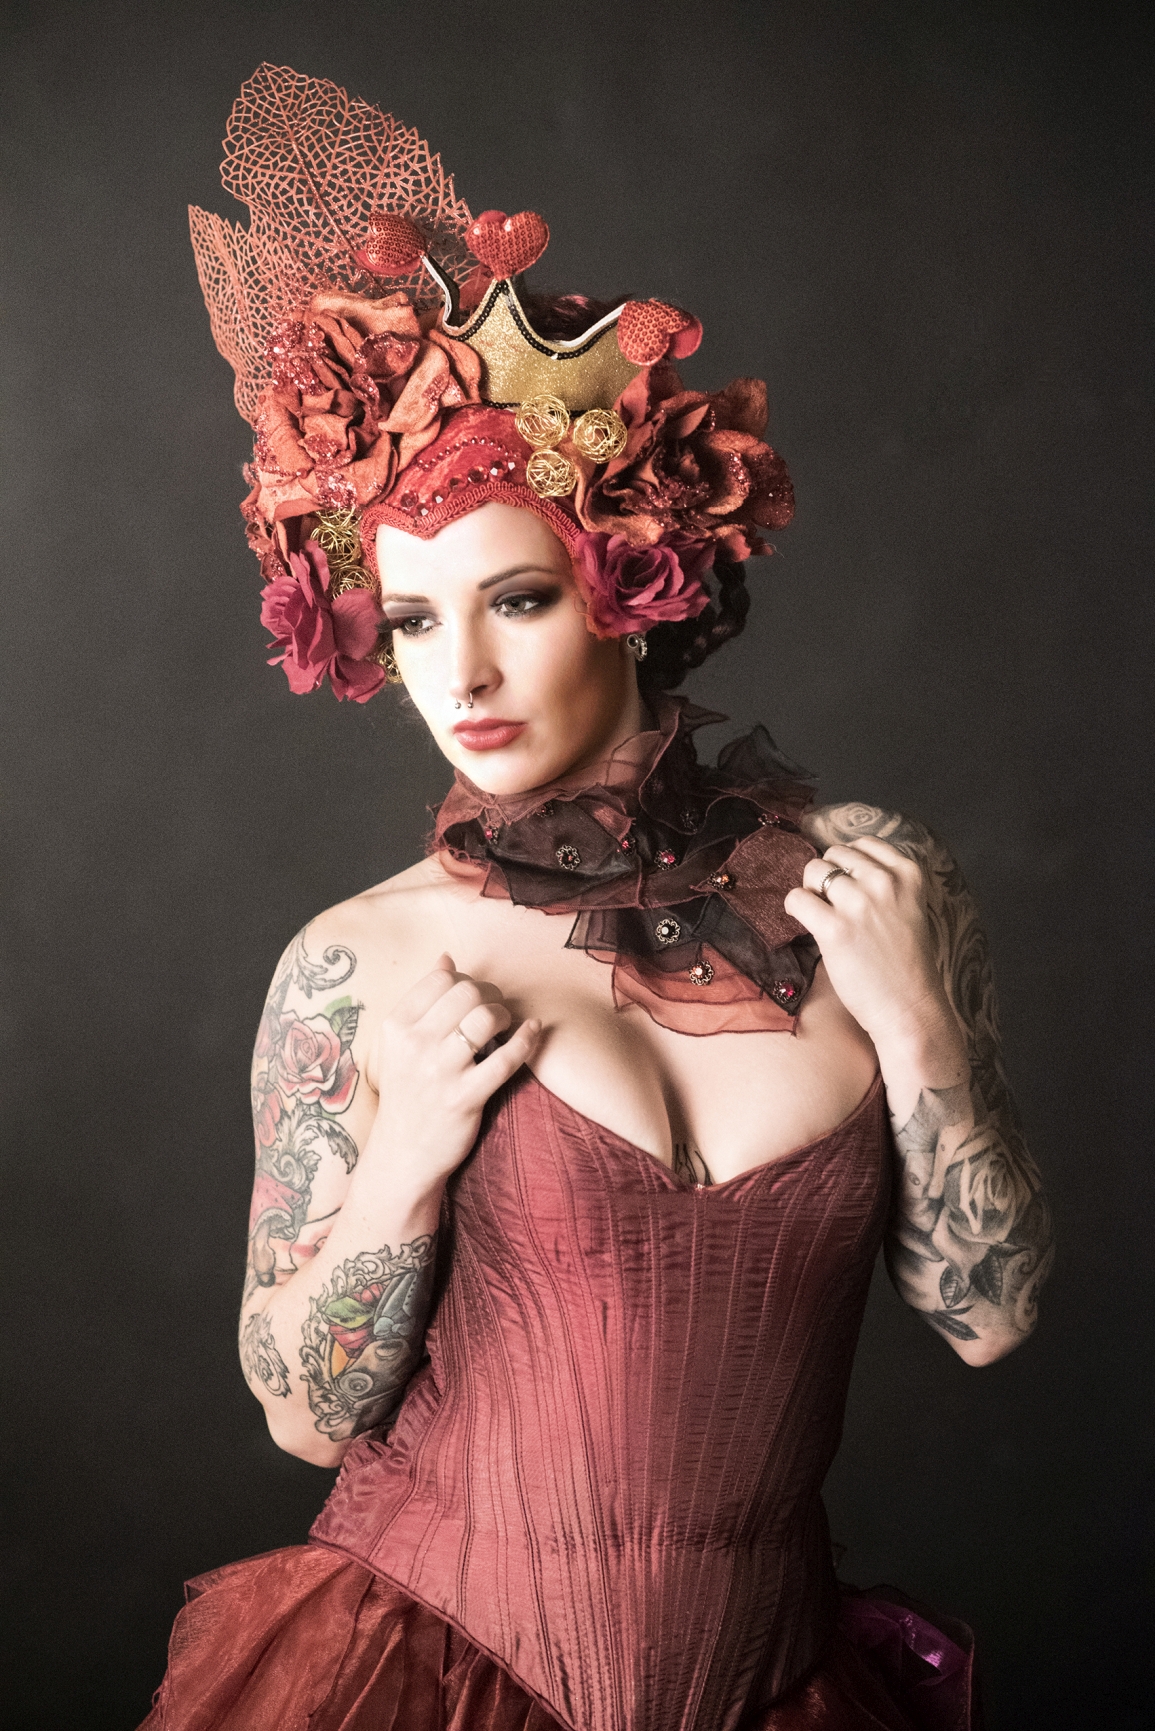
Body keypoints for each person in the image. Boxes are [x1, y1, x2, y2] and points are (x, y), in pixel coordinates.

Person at [144, 65, 1053, 1731]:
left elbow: (990, 1321)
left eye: (516, 599)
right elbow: (300, 1412)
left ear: (634, 580)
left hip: (776, 1683)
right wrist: (409, 1156)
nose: (462, 677)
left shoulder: (877, 888)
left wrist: (925, 1040)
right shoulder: (364, 960)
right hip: (429, 1667)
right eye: (414, 621)